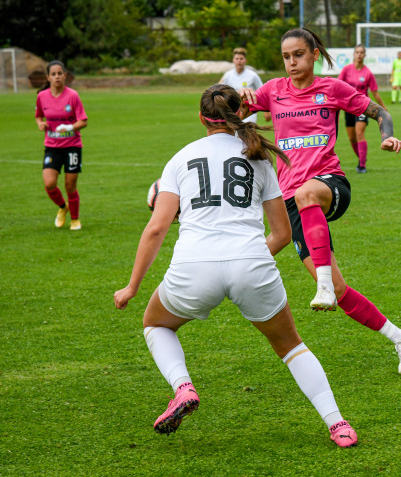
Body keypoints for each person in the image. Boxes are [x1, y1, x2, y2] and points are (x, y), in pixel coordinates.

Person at [113, 84, 358, 448]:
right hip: (252, 263)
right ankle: (338, 425)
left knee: (155, 325)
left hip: (193, 266)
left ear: (201, 119)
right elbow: (281, 232)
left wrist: (131, 287)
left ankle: (183, 387)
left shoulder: (180, 158)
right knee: (291, 347)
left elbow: (157, 228)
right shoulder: (259, 158)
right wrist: (246, 259)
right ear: (241, 114)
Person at [238, 28, 401, 375]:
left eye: (299, 55)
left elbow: (380, 112)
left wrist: (388, 136)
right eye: (286, 56)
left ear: (314, 55)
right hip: (292, 201)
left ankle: (321, 285)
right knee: (339, 289)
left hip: (329, 185)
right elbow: (232, 107)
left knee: (308, 192)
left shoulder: (333, 89)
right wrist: (241, 95)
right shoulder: (274, 90)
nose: (292, 62)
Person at [34, 60, 88, 230]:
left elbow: (83, 121)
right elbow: (38, 116)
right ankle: (63, 207)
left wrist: (70, 127)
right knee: (49, 184)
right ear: (48, 77)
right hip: (52, 146)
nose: (57, 77)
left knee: (70, 185)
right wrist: (40, 123)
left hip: (72, 146)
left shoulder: (72, 96)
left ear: (65, 75)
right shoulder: (42, 96)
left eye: (60, 73)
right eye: (53, 74)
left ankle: (75, 219)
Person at [337, 44, 387, 173]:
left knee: (359, 133)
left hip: (362, 107)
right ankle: (361, 158)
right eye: (357, 52)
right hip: (347, 107)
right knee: (352, 138)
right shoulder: (346, 70)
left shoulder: (368, 73)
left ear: (364, 55)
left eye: (361, 52)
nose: (359, 55)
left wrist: (383, 108)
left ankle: (362, 165)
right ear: (354, 54)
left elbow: (375, 92)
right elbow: (337, 86)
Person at [218, 47, 272, 124]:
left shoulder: (252, 75)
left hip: (249, 110)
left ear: (245, 60)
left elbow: (263, 91)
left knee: (247, 132)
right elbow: (219, 89)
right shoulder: (228, 75)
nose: (239, 61)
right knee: (235, 134)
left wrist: (266, 111)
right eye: (237, 59)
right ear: (233, 60)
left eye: (241, 59)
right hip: (233, 109)